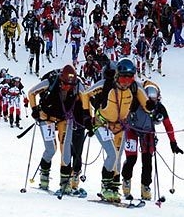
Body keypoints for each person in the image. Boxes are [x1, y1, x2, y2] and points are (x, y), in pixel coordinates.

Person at [83, 58, 154, 202]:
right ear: (117, 75)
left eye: (130, 78)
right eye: (123, 78)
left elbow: (146, 103)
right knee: (111, 154)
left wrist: (151, 107)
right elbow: (85, 95)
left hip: (120, 127)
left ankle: (114, 188)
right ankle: (105, 187)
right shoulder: (106, 84)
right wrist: (86, 117)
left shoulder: (134, 87)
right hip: (102, 124)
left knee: (118, 156)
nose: (126, 82)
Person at [27, 65, 88, 195]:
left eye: (70, 85)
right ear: (61, 80)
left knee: (65, 150)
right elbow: (31, 92)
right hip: (46, 116)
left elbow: (86, 99)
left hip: (64, 118)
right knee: (51, 149)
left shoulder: (77, 85)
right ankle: (44, 179)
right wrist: (34, 109)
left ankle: (65, 184)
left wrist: (89, 118)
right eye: (65, 84)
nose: (67, 87)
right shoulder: (51, 81)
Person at [122, 80, 183, 200]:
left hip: (148, 132)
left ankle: (145, 186)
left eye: (154, 99)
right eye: (149, 99)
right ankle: (126, 181)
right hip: (132, 130)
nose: (152, 102)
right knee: (131, 158)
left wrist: (173, 142)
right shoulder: (136, 101)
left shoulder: (159, 107)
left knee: (147, 160)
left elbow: (168, 125)